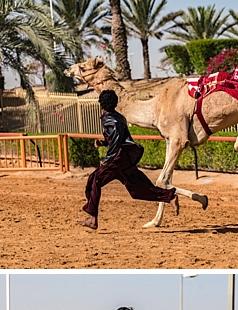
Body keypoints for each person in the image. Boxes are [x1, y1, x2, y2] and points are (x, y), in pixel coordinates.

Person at [79, 89, 208, 230]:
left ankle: (92, 219)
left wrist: (107, 159)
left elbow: (116, 138)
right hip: (124, 158)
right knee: (137, 190)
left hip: (117, 159)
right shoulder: (118, 116)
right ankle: (169, 196)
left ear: (101, 104)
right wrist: (104, 142)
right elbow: (117, 137)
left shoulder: (109, 118)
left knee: (95, 180)